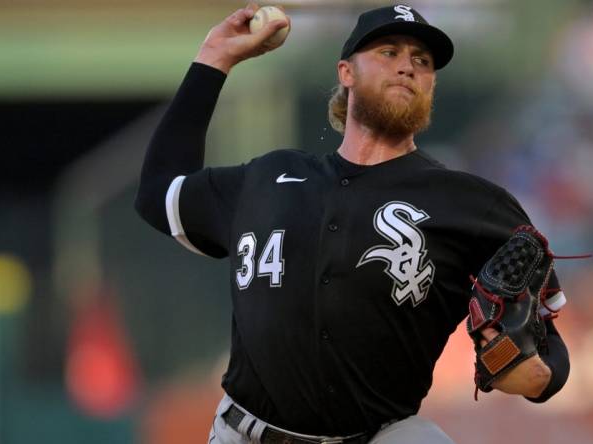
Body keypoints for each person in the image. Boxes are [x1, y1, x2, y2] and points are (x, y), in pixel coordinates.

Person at [135, 4, 571, 443]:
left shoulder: (471, 203)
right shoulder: (267, 178)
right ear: (346, 72)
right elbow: (158, 192)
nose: (407, 67)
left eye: (422, 61)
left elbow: (547, 347)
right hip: (246, 433)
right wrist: (214, 58)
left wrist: (537, 377)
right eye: (388, 52)